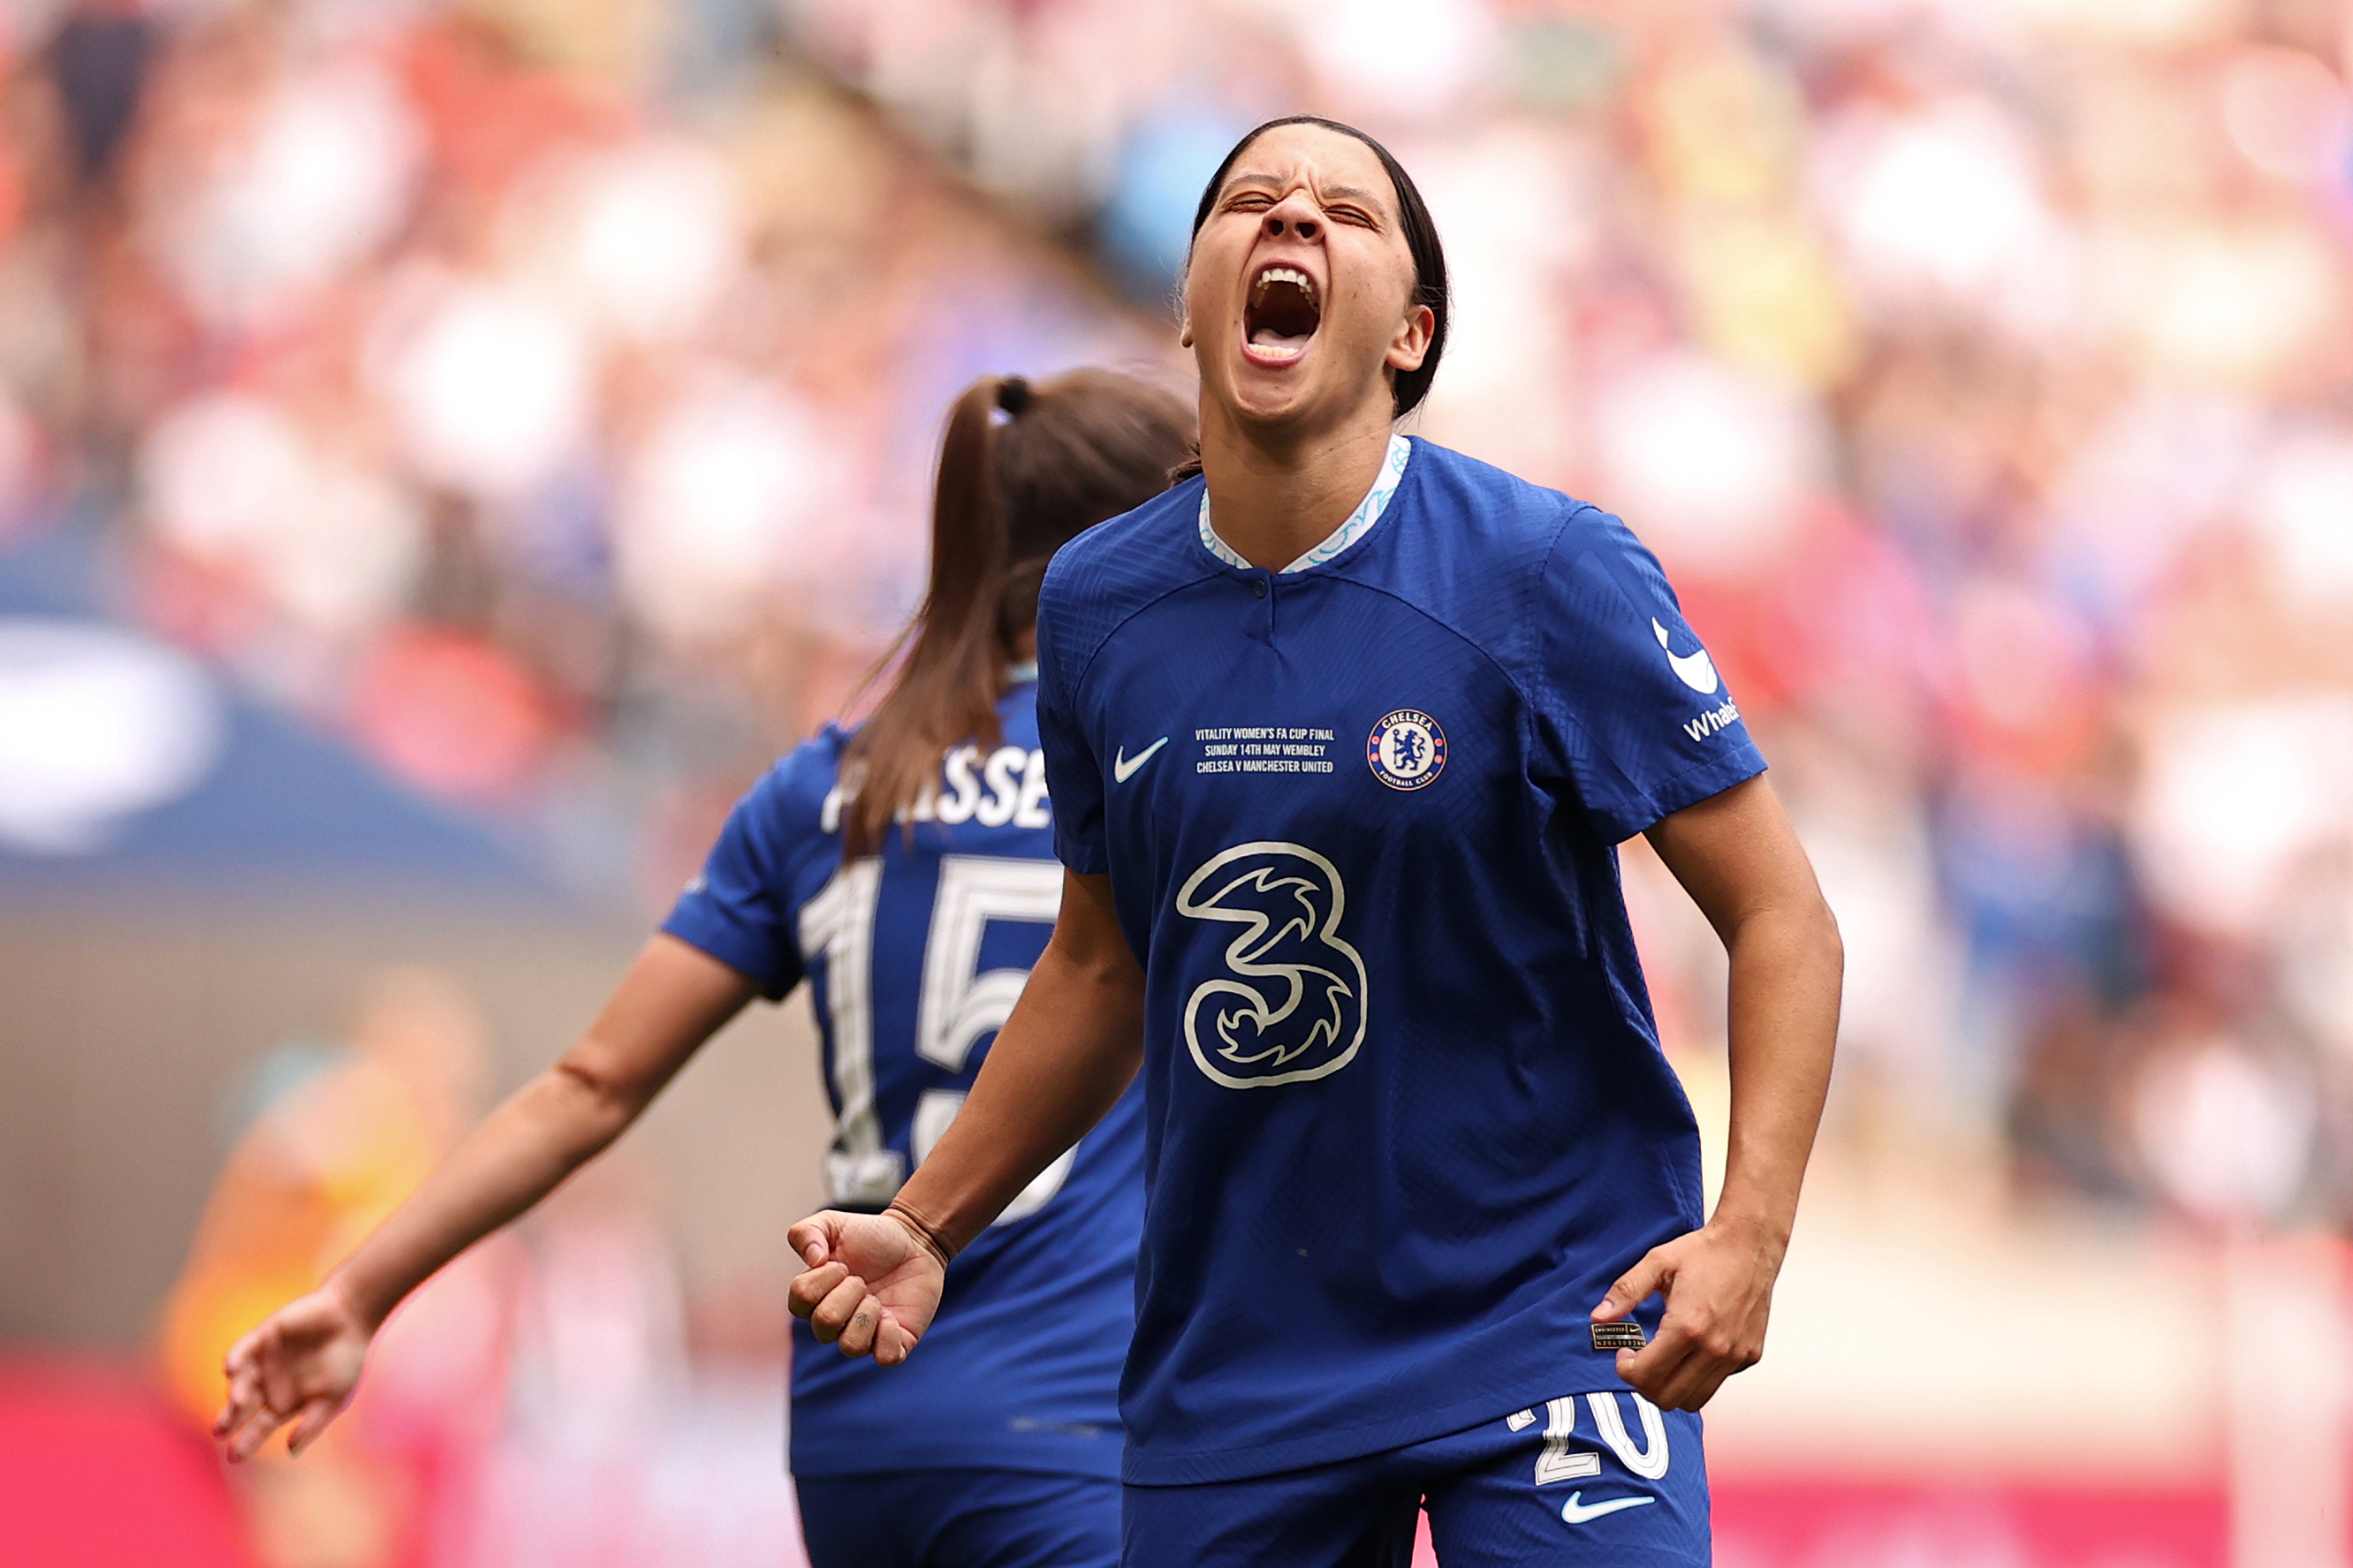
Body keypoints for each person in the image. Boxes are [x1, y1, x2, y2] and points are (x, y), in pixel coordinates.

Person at [786, 117, 1844, 1568]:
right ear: (1192, 301)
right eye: (1252, 201)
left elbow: (1784, 916)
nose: (1291, 219)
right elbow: (1099, 966)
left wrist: (1752, 1233)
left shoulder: (1547, 568)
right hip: (1241, 1359)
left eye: (1343, 212)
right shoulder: (1098, 605)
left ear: (1410, 335)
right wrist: (928, 1222)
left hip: (1550, 1322)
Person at [211, 367, 1200, 1568]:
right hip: (1080, 1421)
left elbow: (588, 1087)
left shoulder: (821, 791)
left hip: (860, 1425)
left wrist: (361, 1293)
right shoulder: (1173, 774)